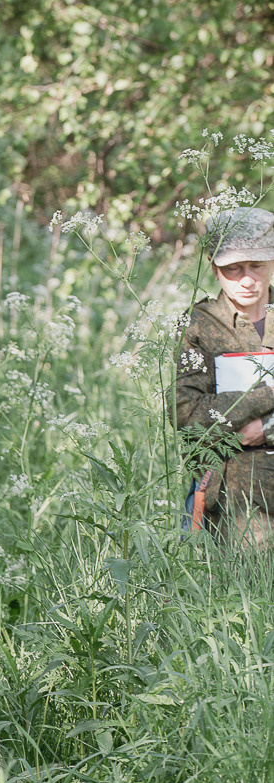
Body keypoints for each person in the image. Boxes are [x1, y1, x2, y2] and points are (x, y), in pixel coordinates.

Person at [175, 207, 274, 547]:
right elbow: (186, 413)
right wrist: (267, 394)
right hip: (230, 505)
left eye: (257, 266)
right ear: (214, 268)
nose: (247, 279)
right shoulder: (198, 325)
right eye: (233, 268)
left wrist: (267, 429)